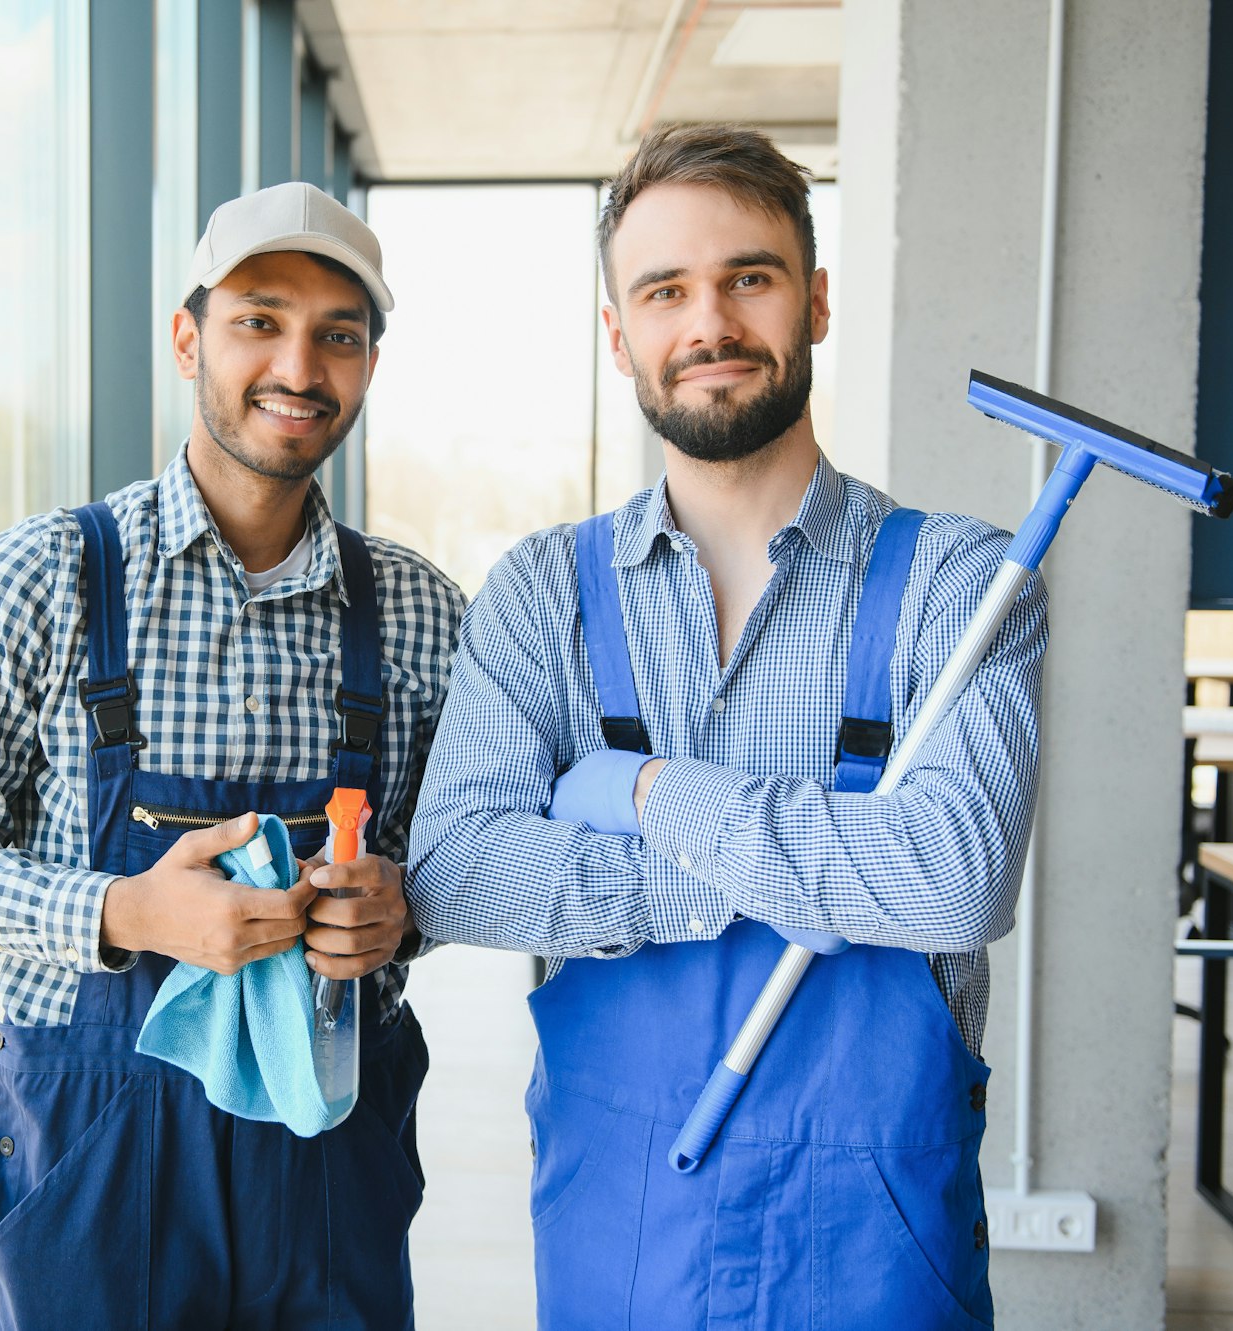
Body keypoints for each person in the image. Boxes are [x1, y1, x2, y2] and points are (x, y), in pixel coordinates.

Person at [406, 124, 1046, 1330]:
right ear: (617, 334)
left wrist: (642, 791)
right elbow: (455, 872)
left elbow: (953, 881)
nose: (707, 322)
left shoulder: (959, 586)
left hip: (880, 1231)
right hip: (621, 1217)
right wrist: (782, 875)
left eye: (746, 277)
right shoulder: (541, 591)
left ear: (811, 302)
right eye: (663, 291)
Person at [0, 181, 466, 1330]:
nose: (298, 364)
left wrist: (404, 908)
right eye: (258, 318)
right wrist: (126, 911)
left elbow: (464, 859)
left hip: (330, 1151)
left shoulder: (421, 614)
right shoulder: (39, 581)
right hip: (96, 1152)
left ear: (365, 367)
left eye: (336, 335)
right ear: (187, 338)